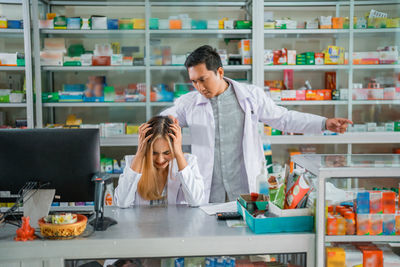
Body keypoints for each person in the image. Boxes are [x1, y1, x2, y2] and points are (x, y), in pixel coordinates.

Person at [161, 45, 353, 203]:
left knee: (246, 244)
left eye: (203, 80)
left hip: (243, 189)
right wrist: (161, 123)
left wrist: (324, 123)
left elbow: (283, 118)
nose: (199, 87)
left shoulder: (250, 96)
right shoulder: (189, 103)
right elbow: (165, 119)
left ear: (219, 72)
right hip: (207, 190)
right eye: (194, 82)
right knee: (209, 244)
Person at [114, 115, 205, 207]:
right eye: (154, 153)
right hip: (143, 221)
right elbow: (122, 203)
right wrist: (140, 153)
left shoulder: (188, 162)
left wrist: (179, 153)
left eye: (167, 152)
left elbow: (196, 201)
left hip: (178, 221)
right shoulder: (134, 163)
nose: (160, 159)